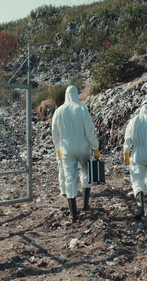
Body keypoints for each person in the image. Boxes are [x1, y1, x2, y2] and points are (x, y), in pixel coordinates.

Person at [52, 85, 100, 222]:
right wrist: (95, 147)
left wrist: (58, 148)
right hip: (83, 146)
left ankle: (73, 213)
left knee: (70, 178)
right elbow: (90, 132)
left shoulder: (59, 111)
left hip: (66, 148)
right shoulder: (82, 109)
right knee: (86, 174)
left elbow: (55, 133)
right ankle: (85, 205)